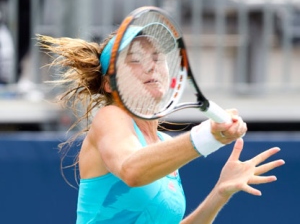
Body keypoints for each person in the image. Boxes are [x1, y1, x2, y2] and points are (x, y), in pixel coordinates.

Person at [37, 22, 285, 224]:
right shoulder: (110, 117)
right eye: (134, 59)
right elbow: (131, 170)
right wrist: (207, 137)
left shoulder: (164, 146)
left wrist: (220, 192)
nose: (150, 65)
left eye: (157, 56)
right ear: (109, 84)